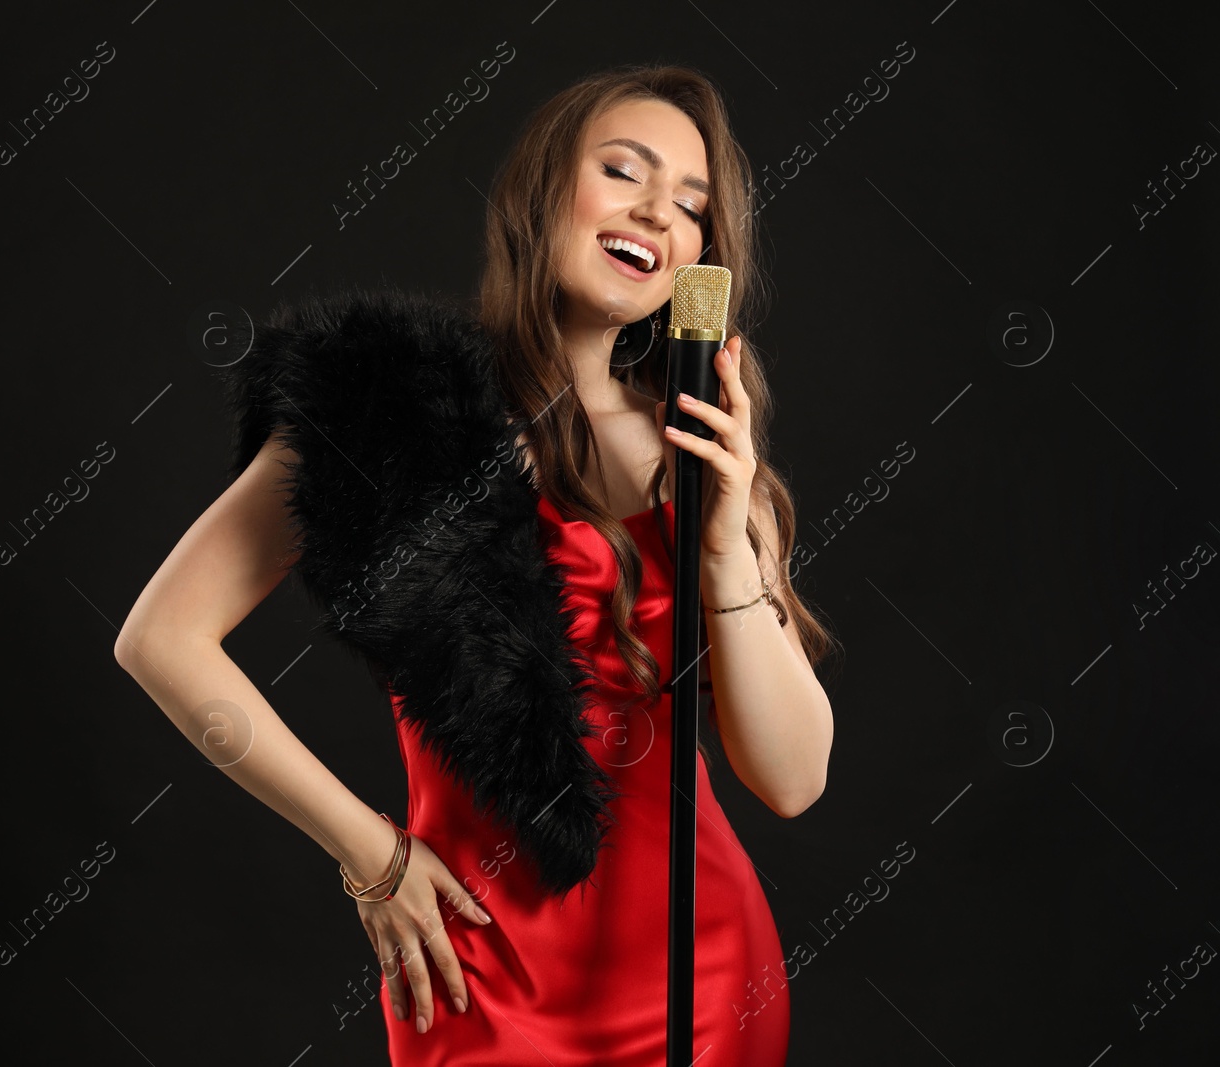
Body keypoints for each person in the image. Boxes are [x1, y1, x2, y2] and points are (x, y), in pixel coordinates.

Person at [115, 64, 836, 1066]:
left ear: (700, 261)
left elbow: (794, 778)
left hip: (701, 977)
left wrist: (720, 543)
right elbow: (161, 637)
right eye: (623, 171)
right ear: (544, 189)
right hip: (476, 968)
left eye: (691, 207)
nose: (654, 213)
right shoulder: (387, 412)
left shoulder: (700, 450)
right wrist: (368, 850)